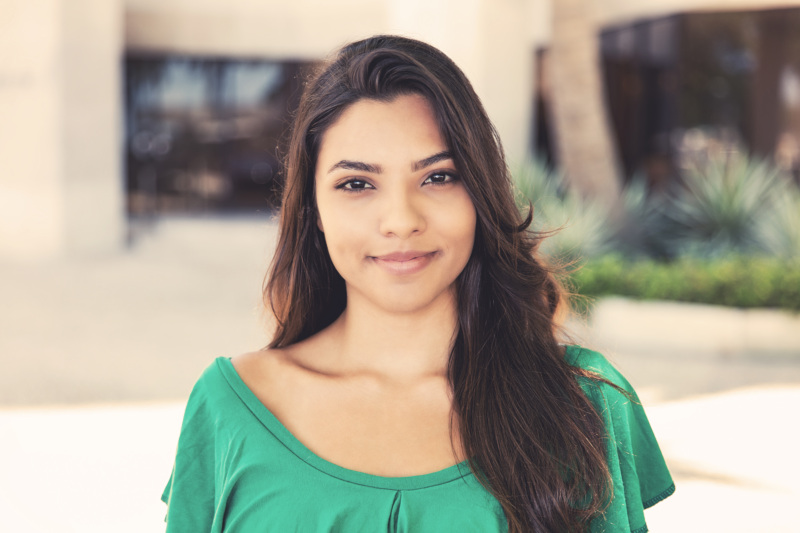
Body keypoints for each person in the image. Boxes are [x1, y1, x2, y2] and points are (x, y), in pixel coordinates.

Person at [161, 35, 674, 532]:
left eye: (437, 177)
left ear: (479, 192)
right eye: (357, 184)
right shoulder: (231, 406)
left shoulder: (582, 401)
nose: (400, 220)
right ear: (313, 210)